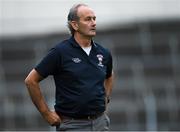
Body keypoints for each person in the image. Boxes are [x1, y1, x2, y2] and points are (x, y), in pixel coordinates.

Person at [25, 3, 113, 131]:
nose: (93, 23)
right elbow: (31, 80)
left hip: (100, 123)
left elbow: (109, 75)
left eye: (94, 19)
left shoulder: (103, 52)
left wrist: (105, 98)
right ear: (74, 25)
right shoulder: (60, 52)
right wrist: (46, 114)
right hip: (72, 125)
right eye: (88, 19)